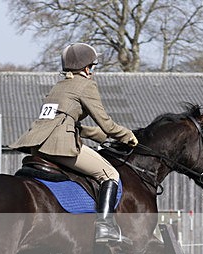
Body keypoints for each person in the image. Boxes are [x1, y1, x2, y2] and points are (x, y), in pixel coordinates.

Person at [10, 42, 138, 243]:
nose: (93, 72)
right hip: (60, 147)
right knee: (110, 174)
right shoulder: (86, 85)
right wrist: (127, 136)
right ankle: (105, 227)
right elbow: (106, 123)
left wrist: (99, 137)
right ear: (87, 68)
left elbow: (66, 123)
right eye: (93, 67)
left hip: (39, 145)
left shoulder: (59, 87)